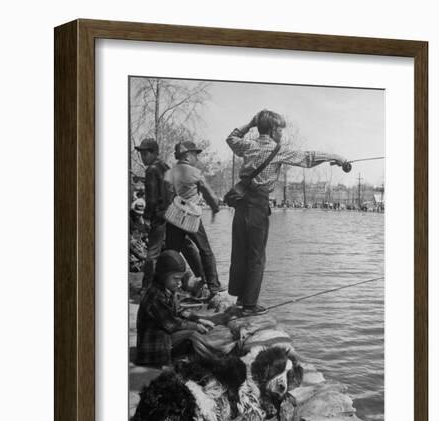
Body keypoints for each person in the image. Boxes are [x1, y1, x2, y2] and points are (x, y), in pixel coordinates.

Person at [226, 109, 347, 316]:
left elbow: (231, 138)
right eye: (280, 130)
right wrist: (336, 157)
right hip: (258, 206)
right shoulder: (278, 150)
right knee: (256, 257)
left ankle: (239, 298)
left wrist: (250, 124)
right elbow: (308, 158)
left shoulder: (248, 145)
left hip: (240, 204)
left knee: (240, 252)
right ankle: (249, 305)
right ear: (273, 130)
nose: (282, 134)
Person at [134, 138, 207, 292]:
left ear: (154, 153)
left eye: (145, 153)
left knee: (153, 252)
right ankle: (203, 278)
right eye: (141, 153)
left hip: (160, 216)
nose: (142, 157)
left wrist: (147, 218)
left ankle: (147, 288)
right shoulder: (165, 167)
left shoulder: (152, 170)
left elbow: (152, 198)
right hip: (174, 214)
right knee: (186, 246)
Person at [135, 250, 214, 367]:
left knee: (193, 340)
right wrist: (195, 326)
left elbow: (179, 311)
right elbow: (173, 324)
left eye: (180, 279)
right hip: (153, 351)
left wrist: (199, 319)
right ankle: (215, 362)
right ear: (163, 275)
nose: (179, 284)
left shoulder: (167, 289)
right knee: (192, 334)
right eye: (175, 279)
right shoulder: (155, 296)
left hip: (164, 340)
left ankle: (211, 358)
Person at [165, 141, 224, 298]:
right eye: (195, 154)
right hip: (191, 217)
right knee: (206, 251)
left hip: (173, 217)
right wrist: (215, 208)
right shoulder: (195, 173)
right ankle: (213, 287)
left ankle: (166, 288)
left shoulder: (169, 173)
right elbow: (210, 195)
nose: (197, 158)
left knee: (171, 253)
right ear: (187, 155)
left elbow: (165, 195)